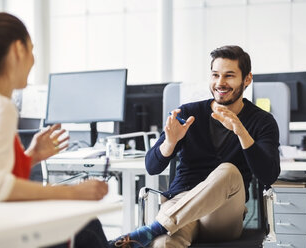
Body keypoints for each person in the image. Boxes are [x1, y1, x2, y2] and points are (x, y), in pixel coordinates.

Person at [0, 12, 109, 248]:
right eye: (32, 50)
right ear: (18, 50)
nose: (33, 60)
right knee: (87, 227)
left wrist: (30, 157)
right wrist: (73, 193)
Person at [109, 45, 281, 248]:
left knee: (228, 171)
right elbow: (152, 167)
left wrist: (241, 132)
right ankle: (157, 231)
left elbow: (269, 175)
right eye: (215, 75)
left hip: (222, 214)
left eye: (229, 76)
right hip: (181, 205)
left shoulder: (262, 121)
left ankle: (154, 228)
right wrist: (170, 143)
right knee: (163, 244)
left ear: (247, 79)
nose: (220, 83)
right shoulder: (188, 113)